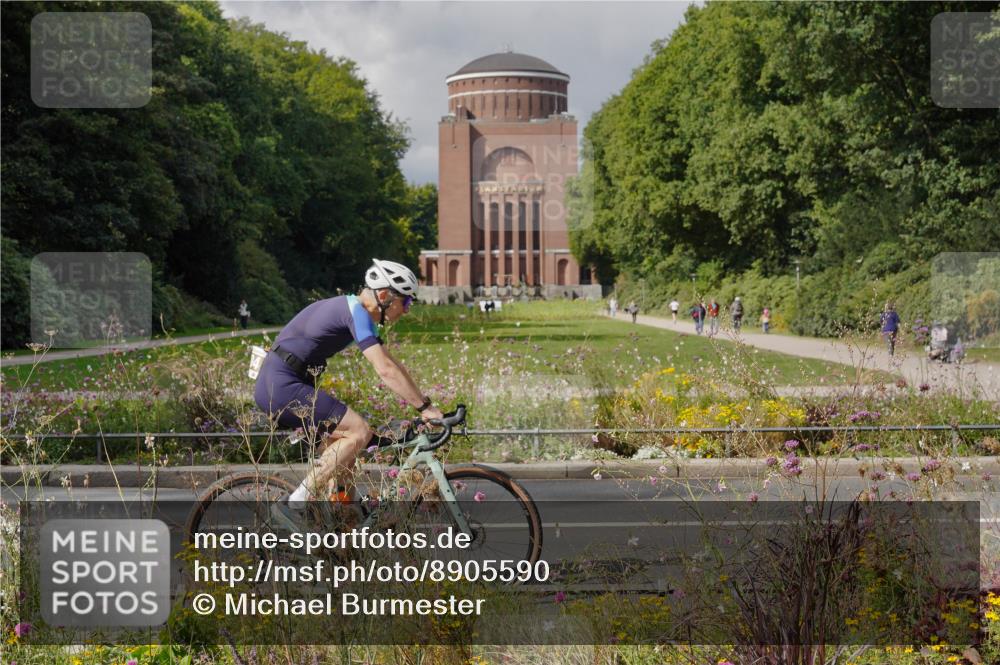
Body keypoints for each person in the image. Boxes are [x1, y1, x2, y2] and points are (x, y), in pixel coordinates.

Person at [255, 259, 444, 530]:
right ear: (384, 295)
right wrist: (425, 408)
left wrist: (424, 403)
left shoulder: (352, 310)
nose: (407, 310)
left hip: (283, 383)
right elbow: (385, 371)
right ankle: (296, 503)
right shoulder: (355, 311)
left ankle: (343, 525)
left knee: (348, 451)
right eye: (406, 302)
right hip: (281, 386)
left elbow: (392, 364)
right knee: (358, 431)